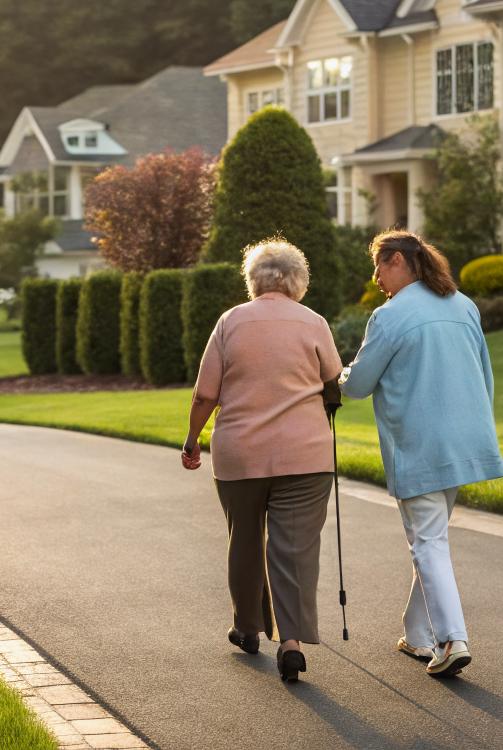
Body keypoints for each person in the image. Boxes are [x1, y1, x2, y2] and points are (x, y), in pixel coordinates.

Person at [339, 230, 503, 678]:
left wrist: (335, 376)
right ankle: (417, 634)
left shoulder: (390, 315)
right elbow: (485, 373)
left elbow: (356, 385)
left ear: (397, 260)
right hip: (465, 441)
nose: (375, 276)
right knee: (430, 538)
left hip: (420, 445)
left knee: (428, 541)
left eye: (378, 265)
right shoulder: (463, 304)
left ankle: (452, 639)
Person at [181, 239, 343, 684]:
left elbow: (205, 394)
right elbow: (334, 382)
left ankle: (248, 628)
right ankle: (289, 641)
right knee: (293, 550)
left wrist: (193, 439)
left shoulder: (230, 321)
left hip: (240, 454)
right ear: (297, 280)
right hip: (306, 457)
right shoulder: (313, 322)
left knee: (246, 540)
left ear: (253, 280)